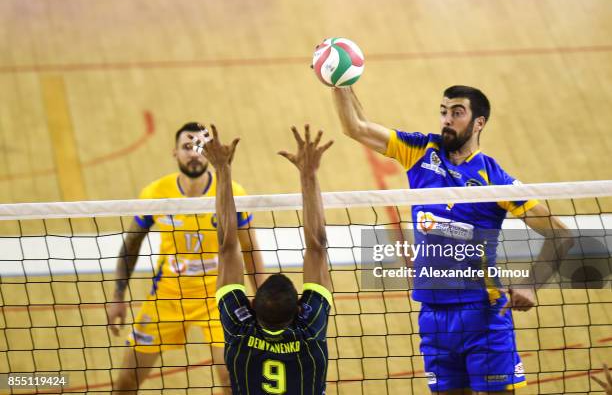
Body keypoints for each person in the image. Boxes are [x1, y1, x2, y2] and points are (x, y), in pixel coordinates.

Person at [332, 86, 572, 394]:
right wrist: (341, 82)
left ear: (479, 123)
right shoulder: (420, 151)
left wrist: (530, 284)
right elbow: (356, 127)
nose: (447, 119)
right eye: (444, 111)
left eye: (457, 113)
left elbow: (560, 234)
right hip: (432, 316)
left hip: (483, 317)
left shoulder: (494, 179)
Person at [106, 122, 264, 394]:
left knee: (232, 379)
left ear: (211, 152)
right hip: (167, 297)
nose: (194, 153)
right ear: (175, 153)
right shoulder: (155, 194)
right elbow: (130, 245)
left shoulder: (232, 193)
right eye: (187, 147)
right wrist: (118, 296)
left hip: (219, 298)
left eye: (200, 147)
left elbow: (250, 248)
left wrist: (261, 295)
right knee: (126, 382)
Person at [193, 123, 333, 395]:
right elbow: (317, 246)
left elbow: (225, 247)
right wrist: (308, 174)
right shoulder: (308, 329)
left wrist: (222, 170)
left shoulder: (241, 330)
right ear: (298, 310)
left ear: (253, 306)